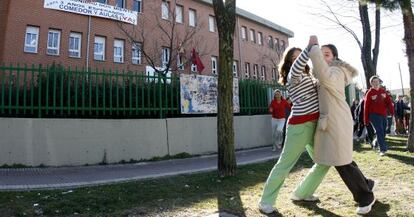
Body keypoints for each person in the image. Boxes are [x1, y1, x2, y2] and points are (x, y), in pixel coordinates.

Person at [305, 38, 376, 214]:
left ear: (334, 57)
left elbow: (324, 75)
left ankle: (365, 196)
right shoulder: (325, 73)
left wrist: (313, 49)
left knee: (340, 161)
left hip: (337, 122)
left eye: (326, 54)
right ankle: (367, 184)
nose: (322, 58)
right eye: (320, 55)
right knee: (343, 158)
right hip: (332, 122)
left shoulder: (336, 71)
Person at [258, 47, 330, 214]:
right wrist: (309, 48)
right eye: (294, 59)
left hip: (314, 124)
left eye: (301, 58)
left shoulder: (309, 76)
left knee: (324, 161)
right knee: (284, 165)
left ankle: (302, 193)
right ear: (290, 62)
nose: (299, 61)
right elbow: (297, 67)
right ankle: (265, 202)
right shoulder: (293, 76)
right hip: (299, 126)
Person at [364, 75, 395, 156]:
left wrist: (392, 112)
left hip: (383, 114)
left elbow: (389, 102)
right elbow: (366, 107)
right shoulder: (369, 93)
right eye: (374, 82)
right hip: (373, 115)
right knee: (379, 131)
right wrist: (366, 119)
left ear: (379, 82)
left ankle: (375, 142)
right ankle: (382, 150)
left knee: (383, 131)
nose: (376, 83)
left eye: (377, 81)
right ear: (371, 83)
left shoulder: (383, 91)